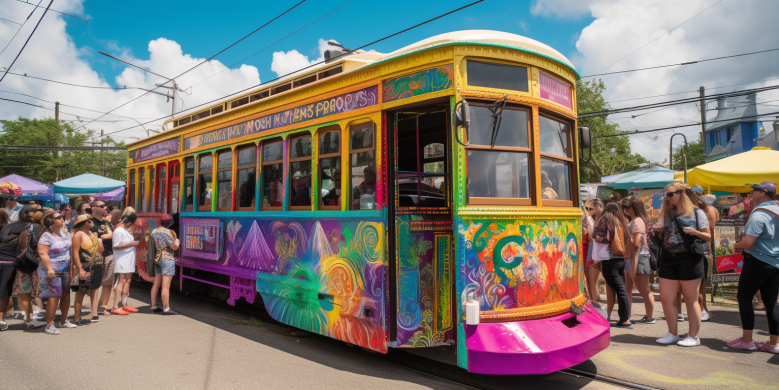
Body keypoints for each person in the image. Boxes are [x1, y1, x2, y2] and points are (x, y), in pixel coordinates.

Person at [654, 182, 711, 347]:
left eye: (671, 194)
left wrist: (695, 232)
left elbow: (707, 237)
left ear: (682, 194)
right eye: (667, 195)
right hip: (668, 257)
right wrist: (658, 233)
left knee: (690, 298)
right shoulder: (667, 213)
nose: (668, 197)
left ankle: (693, 336)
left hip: (690, 258)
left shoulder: (696, 212)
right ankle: (672, 333)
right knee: (666, 298)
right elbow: (664, 234)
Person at [727, 182, 779, 353]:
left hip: (757, 259)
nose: (751, 194)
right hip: (775, 262)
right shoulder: (776, 210)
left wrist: (733, 246)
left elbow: (748, 242)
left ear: (763, 193)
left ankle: (747, 340)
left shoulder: (759, 215)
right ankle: (773, 344)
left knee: (744, 297)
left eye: (753, 191)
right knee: (771, 303)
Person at [593, 202, 632, 328]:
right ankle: (624, 318)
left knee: (620, 290)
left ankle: (625, 319)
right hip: (620, 258)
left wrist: (594, 232)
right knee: (621, 289)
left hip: (609, 259)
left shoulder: (605, 220)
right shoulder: (621, 221)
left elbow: (598, 237)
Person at [37, 210, 74, 334]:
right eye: (59, 217)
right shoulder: (46, 236)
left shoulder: (63, 234)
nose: (62, 218)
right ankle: (49, 325)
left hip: (65, 268)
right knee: (54, 296)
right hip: (53, 269)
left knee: (65, 294)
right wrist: (49, 268)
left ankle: (63, 321)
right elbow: (42, 253)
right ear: (51, 221)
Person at [623, 197, 656, 325]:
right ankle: (627, 315)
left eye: (628, 206)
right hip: (632, 257)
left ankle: (649, 317)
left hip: (638, 257)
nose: (626, 209)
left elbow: (636, 243)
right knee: (629, 288)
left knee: (644, 289)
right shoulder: (635, 221)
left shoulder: (637, 222)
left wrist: (627, 238)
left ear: (633, 208)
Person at [691, 189, 718, 322]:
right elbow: (712, 231)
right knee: (702, 283)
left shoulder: (698, 212)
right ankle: (704, 309)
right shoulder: (712, 209)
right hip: (707, 248)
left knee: (700, 283)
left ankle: (703, 310)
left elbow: (709, 232)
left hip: (701, 248)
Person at [70, 215, 103, 326]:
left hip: (96, 265)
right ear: (84, 222)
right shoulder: (78, 234)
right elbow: (75, 253)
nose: (92, 222)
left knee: (94, 288)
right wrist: (79, 269)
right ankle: (77, 318)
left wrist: (100, 248)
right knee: (81, 291)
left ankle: (92, 314)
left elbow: (100, 251)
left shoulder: (92, 234)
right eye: (89, 220)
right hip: (85, 266)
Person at [150, 214, 180, 315]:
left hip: (157, 258)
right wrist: (177, 241)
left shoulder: (154, 231)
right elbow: (174, 247)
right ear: (170, 222)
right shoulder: (168, 232)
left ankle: (153, 306)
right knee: (165, 285)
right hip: (167, 259)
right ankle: (166, 308)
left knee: (156, 283)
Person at [90, 201, 115, 316]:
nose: (104, 207)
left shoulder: (107, 223)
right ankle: (94, 306)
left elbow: (113, 235)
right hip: (95, 256)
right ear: (93, 208)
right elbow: (97, 236)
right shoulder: (90, 222)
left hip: (110, 254)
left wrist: (106, 235)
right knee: (94, 283)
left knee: (108, 282)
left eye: (105, 206)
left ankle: (103, 306)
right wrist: (106, 235)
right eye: (101, 206)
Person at [111, 212, 139, 315]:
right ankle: (115, 306)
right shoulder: (119, 231)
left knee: (126, 280)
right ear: (129, 221)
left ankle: (123, 303)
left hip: (128, 260)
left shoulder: (124, 230)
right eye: (132, 223)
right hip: (122, 259)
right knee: (121, 281)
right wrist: (132, 244)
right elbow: (116, 246)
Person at [584, 199, 604, 308]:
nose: (587, 211)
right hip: (594, 249)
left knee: (593, 278)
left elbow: (590, 236)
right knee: (591, 277)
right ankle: (594, 301)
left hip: (597, 250)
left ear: (597, 208)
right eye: (586, 208)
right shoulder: (592, 219)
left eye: (590, 209)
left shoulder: (600, 220)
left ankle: (596, 302)